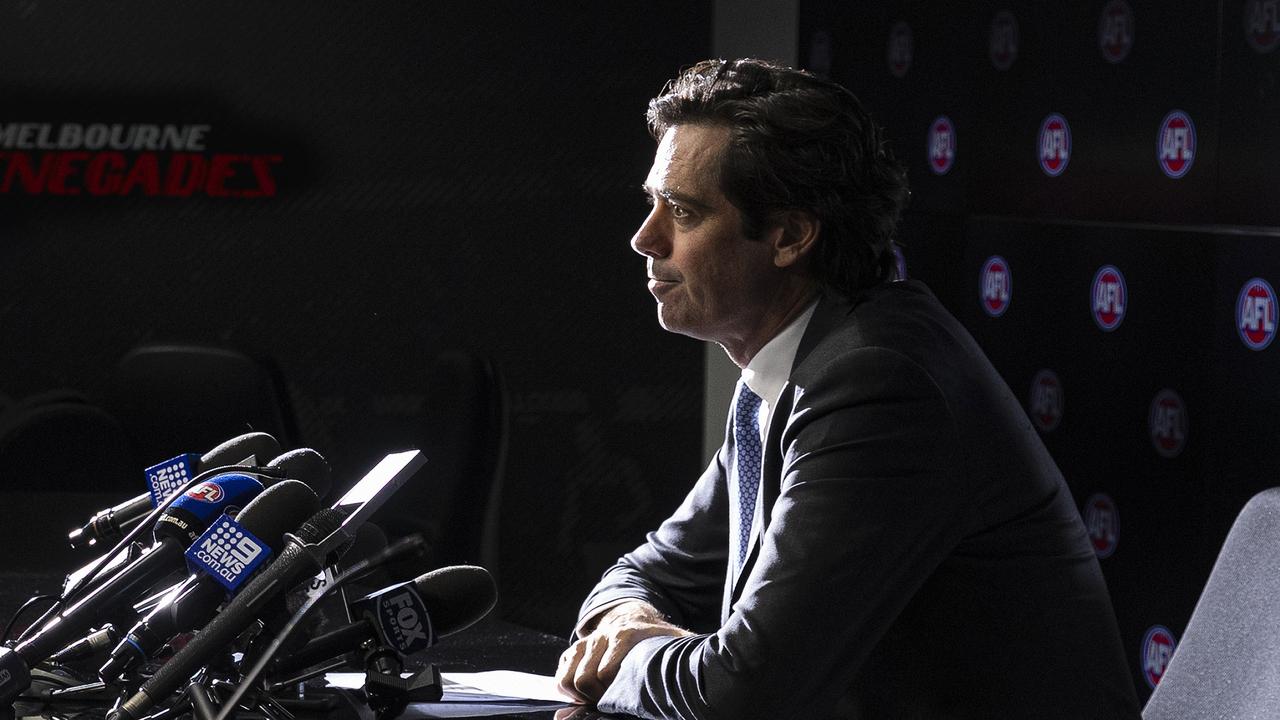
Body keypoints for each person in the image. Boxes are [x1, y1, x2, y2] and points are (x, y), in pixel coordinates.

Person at [555, 58, 1141, 719]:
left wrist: (629, 657)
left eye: (683, 212)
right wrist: (627, 619)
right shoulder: (787, 375)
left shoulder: (881, 387)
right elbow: (650, 575)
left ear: (791, 235)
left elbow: (745, 693)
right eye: (652, 204)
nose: (645, 238)